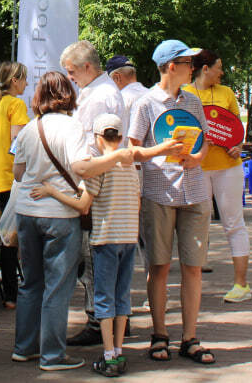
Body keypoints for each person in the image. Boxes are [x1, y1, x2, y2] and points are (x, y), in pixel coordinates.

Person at [36, 112, 185, 377]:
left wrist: (53, 192)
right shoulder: (130, 167)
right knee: (122, 296)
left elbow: (84, 206)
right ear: (120, 136)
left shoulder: (99, 167)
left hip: (105, 239)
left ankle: (108, 354)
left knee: (104, 297)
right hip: (128, 239)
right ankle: (118, 349)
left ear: (97, 137)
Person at [126, 38, 214, 365]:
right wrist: (161, 151)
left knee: (193, 267)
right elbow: (132, 150)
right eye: (190, 63)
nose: (194, 68)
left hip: (195, 191)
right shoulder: (146, 103)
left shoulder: (192, 101)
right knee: (159, 266)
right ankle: (159, 334)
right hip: (159, 192)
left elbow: (205, 141)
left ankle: (190, 338)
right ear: (172, 66)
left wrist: (197, 157)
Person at [10, 70, 89, 371]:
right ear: (68, 94)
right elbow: (80, 167)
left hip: (27, 212)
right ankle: (52, 355)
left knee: (30, 282)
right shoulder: (73, 127)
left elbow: (18, 173)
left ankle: (24, 347)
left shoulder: (30, 128)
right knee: (58, 285)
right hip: (60, 213)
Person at [60, 39, 126, 346]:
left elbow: (91, 145)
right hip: (101, 177)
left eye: (72, 71)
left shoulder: (100, 96)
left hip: (97, 180)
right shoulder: (98, 91)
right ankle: (108, 318)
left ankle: (99, 320)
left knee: (94, 255)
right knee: (98, 256)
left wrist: (82, 180)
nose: (70, 77)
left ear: (87, 67)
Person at [184, 49, 252, 303]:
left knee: (234, 224)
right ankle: (193, 289)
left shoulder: (226, 93)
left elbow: (236, 129)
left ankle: (241, 285)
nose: (222, 72)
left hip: (228, 167)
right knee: (196, 226)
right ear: (205, 69)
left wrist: (238, 145)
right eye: (219, 67)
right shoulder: (185, 93)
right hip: (197, 168)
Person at [0, 61, 30, 308]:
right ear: (15, 80)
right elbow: (18, 142)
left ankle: (10, 294)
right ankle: (18, 293)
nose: (26, 84)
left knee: (7, 239)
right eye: (24, 79)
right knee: (18, 238)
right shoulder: (16, 104)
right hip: (16, 179)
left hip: (0, 180)